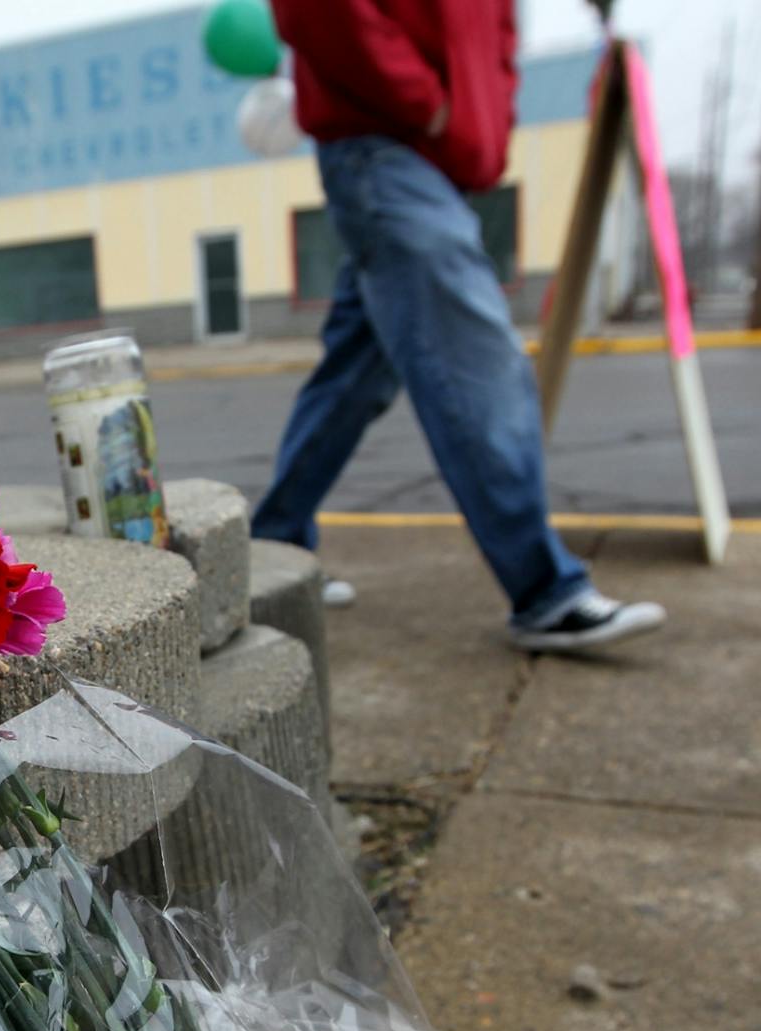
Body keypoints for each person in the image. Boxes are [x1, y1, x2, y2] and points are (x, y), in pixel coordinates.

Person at [259, 0, 665, 652]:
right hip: (384, 139)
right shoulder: (402, 112)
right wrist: (428, 103)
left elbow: (494, 37)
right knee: (476, 359)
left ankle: (271, 552)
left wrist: (482, 126)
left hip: (436, 156)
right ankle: (543, 590)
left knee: (353, 376)